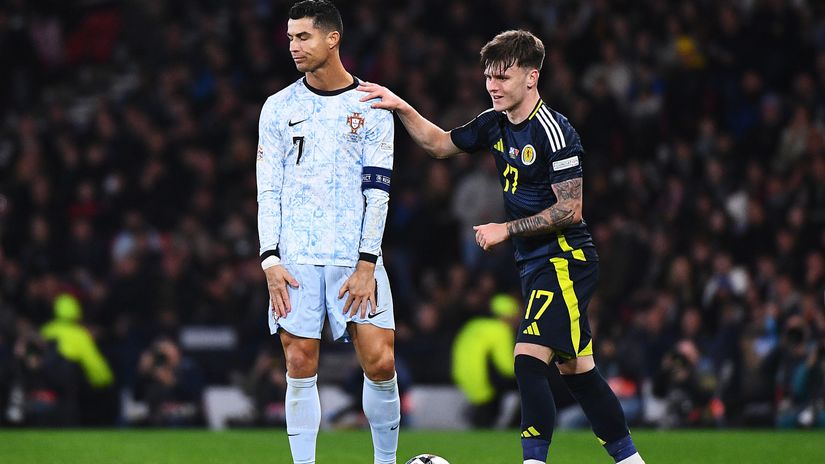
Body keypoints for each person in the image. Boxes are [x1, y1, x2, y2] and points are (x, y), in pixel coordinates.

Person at [359, 30, 644, 464]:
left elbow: (571, 209)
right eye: (488, 76)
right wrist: (400, 106)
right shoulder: (494, 122)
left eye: (503, 77)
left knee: (528, 359)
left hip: (566, 258)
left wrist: (505, 229)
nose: (492, 85)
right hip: (535, 263)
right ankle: (631, 460)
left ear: (531, 77)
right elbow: (439, 144)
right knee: (578, 373)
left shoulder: (555, 130)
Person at [256, 2, 399, 463]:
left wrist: (366, 263)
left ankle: (386, 461)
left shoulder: (373, 105)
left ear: (332, 39)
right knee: (299, 362)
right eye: (291, 38)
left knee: (380, 362)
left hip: (354, 255)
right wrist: (270, 260)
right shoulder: (278, 108)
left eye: (304, 37)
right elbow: (268, 189)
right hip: (295, 255)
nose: (294, 47)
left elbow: (378, 192)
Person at [452, 293, 519, 428]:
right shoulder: (501, 330)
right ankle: (516, 424)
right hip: (485, 381)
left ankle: (476, 415)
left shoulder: (473, 324)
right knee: (528, 386)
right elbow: (506, 366)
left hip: (461, 375)